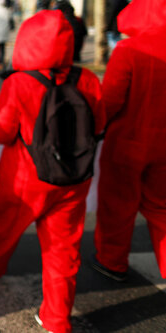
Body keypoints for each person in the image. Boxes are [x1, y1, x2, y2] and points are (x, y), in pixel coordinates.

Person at [0, 10, 103, 333]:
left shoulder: (19, 82)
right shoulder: (88, 79)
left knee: (6, 228)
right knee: (64, 251)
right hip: (74, 178)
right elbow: (99, 124)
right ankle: (57, 319)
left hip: (26, 178)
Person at [92, 0, 166, 283]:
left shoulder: (128, 49)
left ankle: (112, 261)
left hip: (127, 144)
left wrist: (95, 128)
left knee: (117, 206)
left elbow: (109, 102)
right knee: (161, 209)